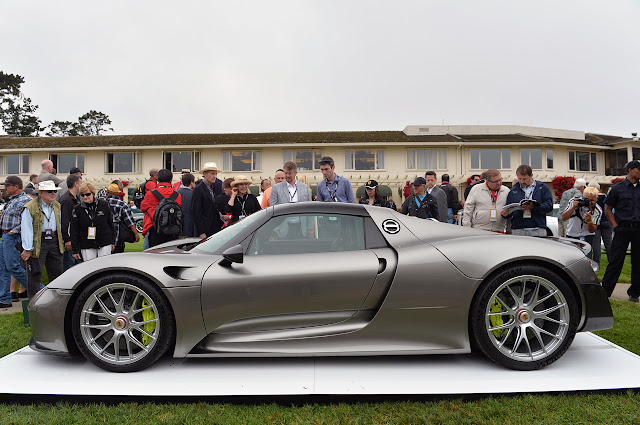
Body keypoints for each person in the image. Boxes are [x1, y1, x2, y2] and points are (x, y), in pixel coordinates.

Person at [601, 160, 640, 302]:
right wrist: (615, 226)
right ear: (630, 170)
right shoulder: (618, 188)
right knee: (615, 260)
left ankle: (634, 293)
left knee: (638, 262)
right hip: (622, 228)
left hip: (638, 229)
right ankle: (605, 291)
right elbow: (608, 209)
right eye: (638, 169)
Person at [20, 180, 64, 298]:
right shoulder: (30, 207)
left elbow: (61, 225)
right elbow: (26, 228)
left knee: (57, 274)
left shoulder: (57, 205)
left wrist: (63, 242)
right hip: (38, 242)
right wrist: (28, 248)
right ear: (41, 193)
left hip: (55, 241)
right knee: (35, 274)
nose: (53, 194)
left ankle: (55, 303)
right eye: (50, 191)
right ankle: (33, 304)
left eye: (54, 191)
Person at [0, 176, 31, 307]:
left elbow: (30, 221)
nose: (5, 188)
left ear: (16, 187)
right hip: (5, 236)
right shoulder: (12, 200)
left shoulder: (25, 200)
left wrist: (14, 231)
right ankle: (4, 299)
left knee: (13, 267)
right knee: (3, 269)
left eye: (8, 185)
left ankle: (40, 290)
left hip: (13, 237)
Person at [501, 164, 553, 236]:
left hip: (537, 228)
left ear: (531, 175)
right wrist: (505, 214)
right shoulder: (513, 190)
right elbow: (509, 210)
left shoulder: (542, 187)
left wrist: (534, 207)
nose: (522, 181)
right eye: (519, 179)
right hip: (518, 229)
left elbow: (549, 206)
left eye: (524, 179)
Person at [70, 182, 115, 261]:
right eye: (82, 195)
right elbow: (74, 230)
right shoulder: (77, 209)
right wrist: (75, 249)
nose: (85, 197)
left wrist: (113, 241)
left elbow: (111, 224)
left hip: (104, 241)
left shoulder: (104, 205)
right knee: (89, 267)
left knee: (104, 266)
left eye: (87, 194)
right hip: (87, 243)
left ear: (93, 193)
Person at [141, 168, 183, 247]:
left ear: (158, 179)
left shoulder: (151, 194)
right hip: (173, 229)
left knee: (153, 257)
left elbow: (143, 208)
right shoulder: (177, 195)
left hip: (155, 228)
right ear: (171, 180)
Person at [462, 169, 510, 233]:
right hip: (479, 230)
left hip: (499, 230)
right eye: (495, 181)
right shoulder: (476, 189)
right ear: (487, 181)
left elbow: (510, 211)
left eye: (500, 180)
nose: (499, 183)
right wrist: (467, 229)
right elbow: (468, 210)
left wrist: (509, 230)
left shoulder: (506, 191)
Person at [105, 183, 139, 253]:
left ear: (107, 192)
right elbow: (130, 222)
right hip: (118, 237)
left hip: (104, 237)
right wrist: (136, 234)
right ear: (117, 194)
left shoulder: (101, 203)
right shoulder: (122, 204)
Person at [192, 163, 222, 238]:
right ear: (205, 174)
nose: (215, 176)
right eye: (212, 174)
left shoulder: (212, 187)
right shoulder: (198, 189)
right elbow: (196, 213)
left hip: (214, 229)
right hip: (205, 231)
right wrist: (201, 232)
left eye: (216, 174)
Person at [60, 174, 82, 271]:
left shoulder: (75, 198)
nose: (82, 185)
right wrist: (67, 239)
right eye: (80, 183)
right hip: (70, 239)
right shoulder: (66, 200)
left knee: (76, 265)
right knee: (70, 266)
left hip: (75, 238)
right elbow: (65, 220)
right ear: (76, 184)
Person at [588, 181, 613, 267]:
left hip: (596, 222)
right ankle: (612, 261)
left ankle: (596, 262)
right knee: (608, 242)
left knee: (596, 243)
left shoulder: (592, 198)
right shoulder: (606, 197)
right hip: (607, 221)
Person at [177, 173, 196, 237]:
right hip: (190, 225)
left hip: (177, 225)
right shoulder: (193, 194)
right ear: (191, 183)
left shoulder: (176, 193)